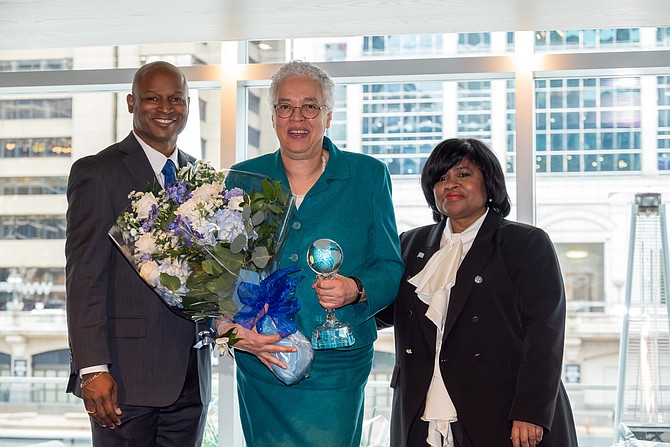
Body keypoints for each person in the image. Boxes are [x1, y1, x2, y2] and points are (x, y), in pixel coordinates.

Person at [218, 60, 404, 447]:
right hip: (263, 356)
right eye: (285, 106)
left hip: (337, 362)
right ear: (273, 117)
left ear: (328, 115)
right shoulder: (242, 179)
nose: (297, 117)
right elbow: (219, 272)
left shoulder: (367, 175)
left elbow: (389, 265)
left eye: (310, 106)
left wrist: (356, 288)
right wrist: (232, 332)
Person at [376, 138, 578, 447]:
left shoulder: (525, 243)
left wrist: (531, 411)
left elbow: (544, 333)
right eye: (441, 178)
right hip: (420, 409)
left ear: (489, 181)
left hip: (502, 409)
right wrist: (348, 293)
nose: (450, 184)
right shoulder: (409, 245)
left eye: (463, 174)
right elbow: (383, 311)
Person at [65, 61, 211, 446]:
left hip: (191, 380)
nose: (166, 108)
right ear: (132, 102)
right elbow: (84, 279)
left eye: (176, 98)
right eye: (153, 98)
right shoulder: (98, 173)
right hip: (123, 380)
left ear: (188, 106)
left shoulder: (201, 178)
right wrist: (92, 369)